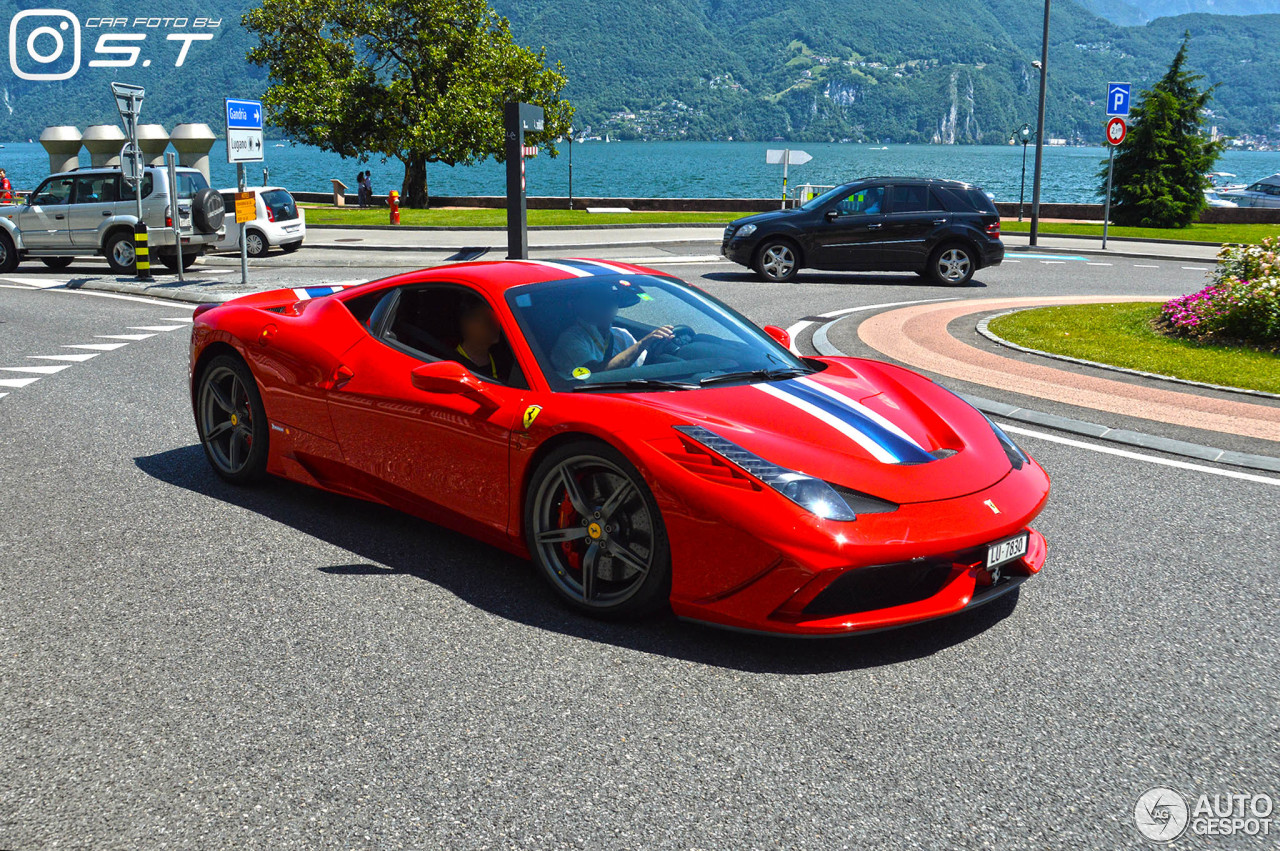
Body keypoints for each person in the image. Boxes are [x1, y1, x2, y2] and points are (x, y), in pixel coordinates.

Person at [551, 283, 674, 376]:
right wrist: (642, 344)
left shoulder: (621, 334)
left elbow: (643, 364)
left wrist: (658, 350)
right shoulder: (571, 339)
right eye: (599, 300)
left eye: (612, 299)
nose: (609, 305)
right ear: (580, 305)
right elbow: (593, 374)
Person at [452, 296, 508, 380]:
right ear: (468, 325)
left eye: (496, 320)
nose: (496, 326)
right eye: (488, 321)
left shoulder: (504, 359)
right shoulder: (454, 365)